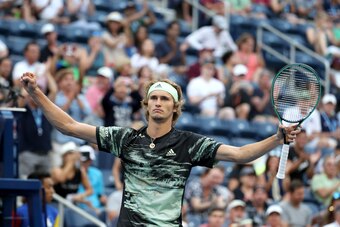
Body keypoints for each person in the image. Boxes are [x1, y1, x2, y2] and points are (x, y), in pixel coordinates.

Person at [20, 72, 300, 226]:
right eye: (152, 97)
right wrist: (36, 93)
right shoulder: (125, 138)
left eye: (164, 99)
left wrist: (276, 139)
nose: (157, 102)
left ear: (174, 107)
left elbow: (240, 155)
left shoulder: (190, 143)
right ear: (145, 105)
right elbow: (69, 126)